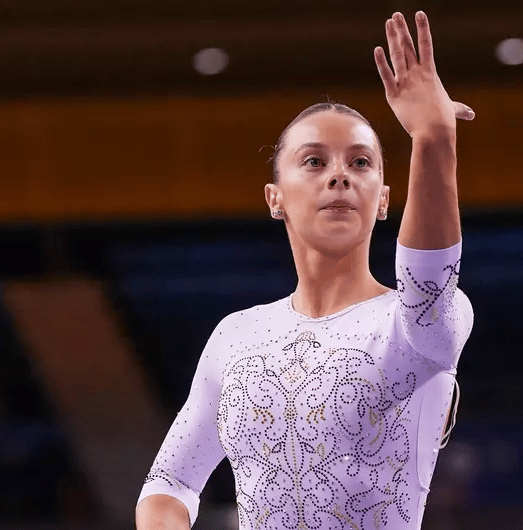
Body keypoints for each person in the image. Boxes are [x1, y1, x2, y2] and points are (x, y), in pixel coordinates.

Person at [136, 10, 475, 530]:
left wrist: (432, 141)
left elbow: (427, 276)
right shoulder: (236, 337)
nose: (339, 175)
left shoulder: (414, 325)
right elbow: (168, 485)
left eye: (360, 162)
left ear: (384, 199)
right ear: (275, 198)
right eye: (314, 161)